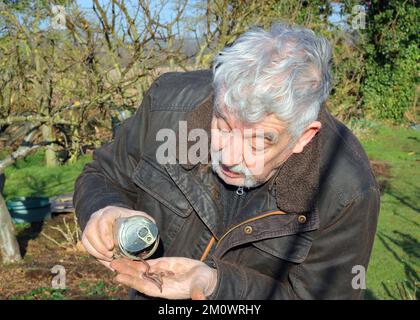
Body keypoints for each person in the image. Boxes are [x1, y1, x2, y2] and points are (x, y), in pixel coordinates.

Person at [73, 23, 380, 300]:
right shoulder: (165, 107)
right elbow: (102, 174)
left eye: (260, 140)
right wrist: (103, 208)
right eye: (223, 125)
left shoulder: (346, 192)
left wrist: (218, 286)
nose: (230, 157)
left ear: (303, 136)